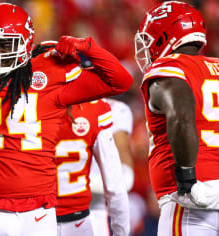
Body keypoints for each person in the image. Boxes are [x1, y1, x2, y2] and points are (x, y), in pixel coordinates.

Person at [0, 3, 133, 235]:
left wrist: (88, 47)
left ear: (25, 43)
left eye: (3, 45)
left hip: (34, 212)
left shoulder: (49, 72)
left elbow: (120, 81)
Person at [135, 1, 219, 235]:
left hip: (192, 201)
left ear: (164, 36)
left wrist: (186, 179)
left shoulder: (169, 67)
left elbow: (181, 116)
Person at [54, 99, 130, 236]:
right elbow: (118, 185)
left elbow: (127, 176)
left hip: (38, 214)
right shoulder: (99, 109)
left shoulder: (32, 101)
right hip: (81, 213)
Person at [88, 98, 134, 235]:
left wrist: (76, 183)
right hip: (50, 207)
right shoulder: (55, 102)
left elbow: (127, 178)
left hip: (94, 208)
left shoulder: (115, 109)